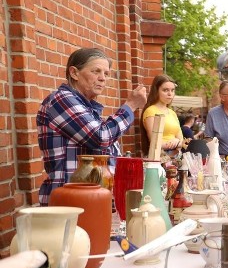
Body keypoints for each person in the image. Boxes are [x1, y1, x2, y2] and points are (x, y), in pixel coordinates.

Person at [36, 47, 147, 205]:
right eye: (96, 71)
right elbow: (100, 138)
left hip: (88, 200)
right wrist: (130, 106)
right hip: (69, 203)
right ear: (74, 73)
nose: (103, 78)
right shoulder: (61, 99)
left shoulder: (88, 108)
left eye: (106, 74)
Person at [140, 74, 182, 156]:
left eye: (172, 90)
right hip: (159, 156)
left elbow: (182, 140)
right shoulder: (151, 111)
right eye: (165, 90)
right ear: (156, 91)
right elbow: (155, 142)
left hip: (176, 156)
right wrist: (175, 143)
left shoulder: (172, 113)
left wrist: (178, 142)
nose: (170, 94)